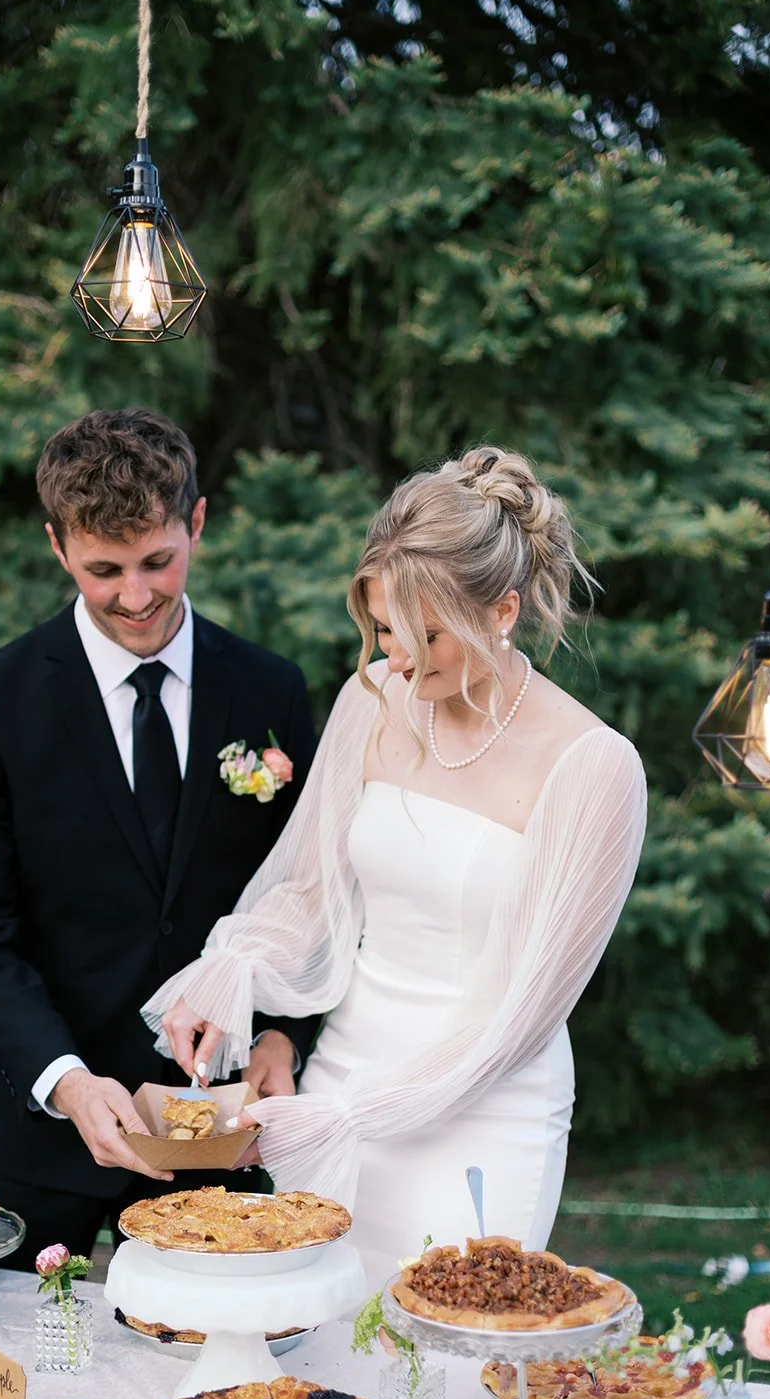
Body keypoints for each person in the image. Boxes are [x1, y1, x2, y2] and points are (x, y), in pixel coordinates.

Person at [145, 447, 647, 1288]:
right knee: (318, 1355)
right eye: (382, 630)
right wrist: (231, 968)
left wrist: (348, 1114)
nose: (399, 659)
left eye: (424, 634)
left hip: (484, 1105)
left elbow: (518, 1015)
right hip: (346, 1063)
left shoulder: (593, 766)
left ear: (502, 611)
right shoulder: (371, 700)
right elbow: (311, 889)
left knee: (446, 1351)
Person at [0, 407, 318, 1269]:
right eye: (104, 570)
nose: (135, 597)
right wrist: (64, 1081)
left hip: (220, 1131)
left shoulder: (271, 690)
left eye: (157, 562)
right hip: (30, 1136)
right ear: (58, 545)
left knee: (224, 1392)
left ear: (197, 523)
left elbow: (308, 892)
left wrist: (286, 1035)